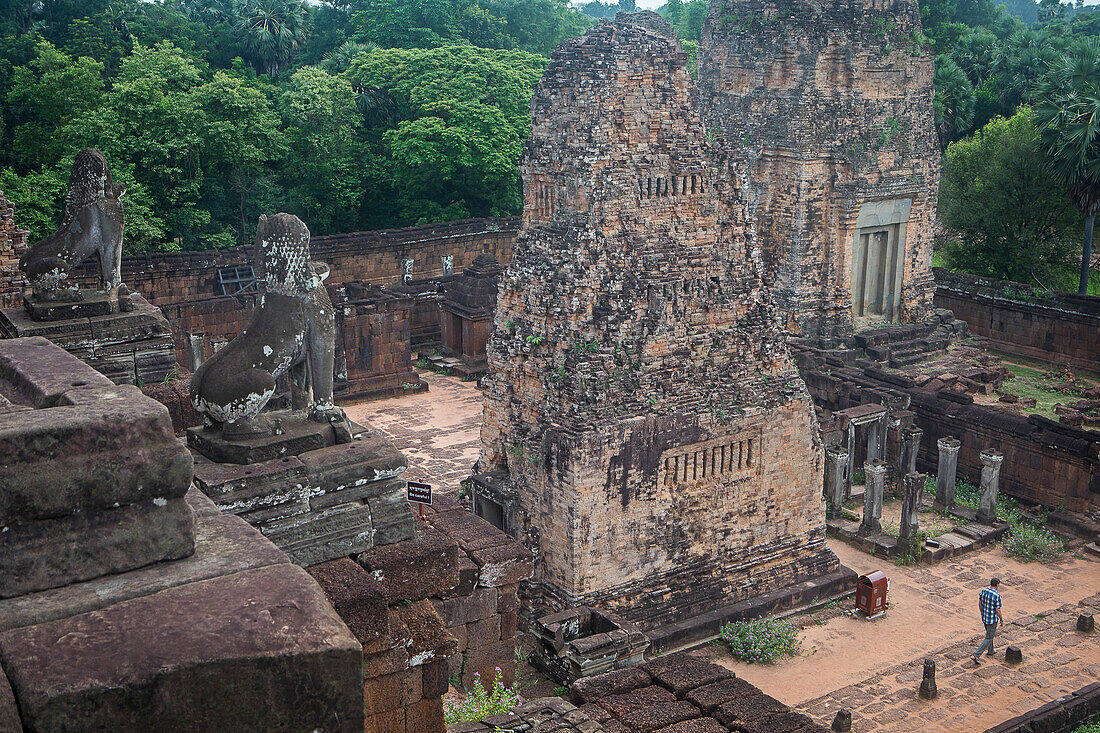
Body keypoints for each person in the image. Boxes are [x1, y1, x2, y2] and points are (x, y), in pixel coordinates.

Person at [971, 577, 1003, 665]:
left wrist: (982, 612)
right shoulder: (997, 596)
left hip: (984, 617)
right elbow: (997, 610)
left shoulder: (984, 591)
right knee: (989, 637)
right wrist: (1001, 619)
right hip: (992, 619)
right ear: (997, 585)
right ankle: (977, 654)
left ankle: (991, 650)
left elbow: (980, 603)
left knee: (989, 634)